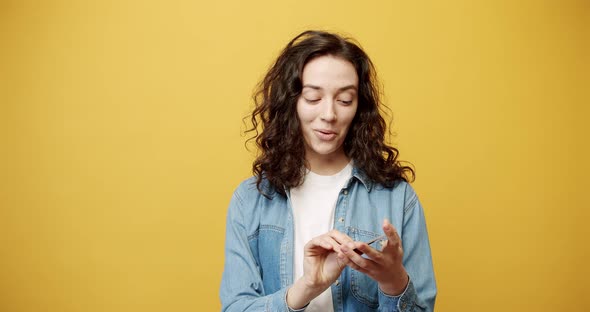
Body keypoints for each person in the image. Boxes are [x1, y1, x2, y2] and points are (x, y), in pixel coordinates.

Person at [220, 30, 436, 312]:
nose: (329, 114)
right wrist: (307, 287)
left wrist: (394, 283)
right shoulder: (251, 200)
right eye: (312, 98)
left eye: (345, 100)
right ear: (291, 103)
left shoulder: (397, 198)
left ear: (359, 107)